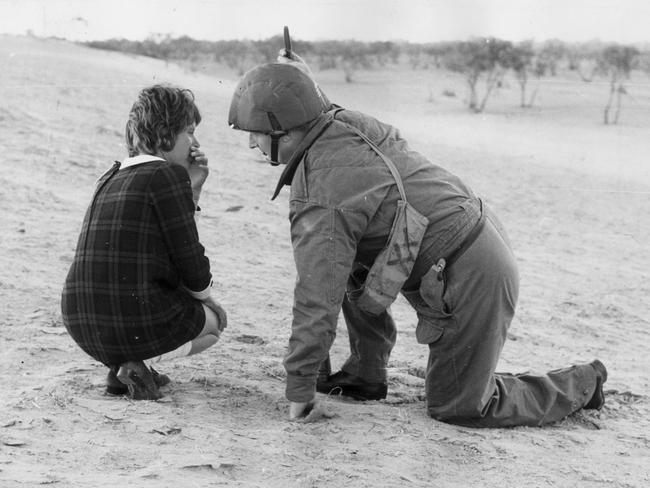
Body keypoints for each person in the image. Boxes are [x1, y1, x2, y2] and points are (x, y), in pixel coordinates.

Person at [228, 51, 607, 427]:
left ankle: (584, 383)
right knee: (345, 257)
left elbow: (316, 299)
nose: (251, 145)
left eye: (256, 134)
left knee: (461, 406)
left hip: (471, 272)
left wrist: (299, 391)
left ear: (286, 131)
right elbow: (315, 106)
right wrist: (297, 82)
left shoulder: (323, 193)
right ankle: (365, 375)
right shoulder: (343, 123)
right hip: (468, 238)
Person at [62, 84, 227, 400]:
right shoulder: (165, 175)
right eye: (189, 132)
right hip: (132, 320)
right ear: (166, 134)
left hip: (81, 324)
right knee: (214, 324)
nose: (195, 142)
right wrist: (207, 299)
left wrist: (191, 188)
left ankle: (121, 370)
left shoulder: (109, 176)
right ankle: (136, 363)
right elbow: (187, 254)